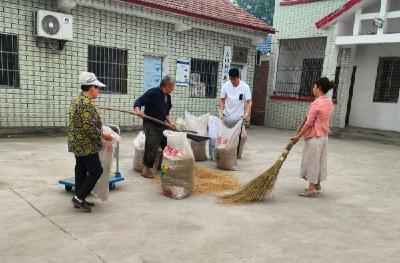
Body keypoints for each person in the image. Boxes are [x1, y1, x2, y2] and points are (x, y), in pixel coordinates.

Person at [68, 72, 112, 212]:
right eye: (97, 88)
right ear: (91, 87)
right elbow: (89, 128)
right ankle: (79, 198)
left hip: (77, 143)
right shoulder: (86, 105)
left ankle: (79, 198)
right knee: (96, 170)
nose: (98, 90)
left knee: (81, 169)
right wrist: (103, 135)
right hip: (86, 145)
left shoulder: (77, 100)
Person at [291, 77, 335, 197]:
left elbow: (308, 123)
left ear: (319, 88)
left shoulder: (316, 103)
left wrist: (298, 136)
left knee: (312, 162)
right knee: (320, 161)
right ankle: (317, 184)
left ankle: (311, 189)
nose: (313, 89)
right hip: (324, 137)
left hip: (315, 138)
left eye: (314, 87)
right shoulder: (329, 102)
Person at [134, 75, 176, 178]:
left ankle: (161, 167)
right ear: (167, 85)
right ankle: (145, 171)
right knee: (152, 146)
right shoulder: (153, 93)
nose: (173, 88)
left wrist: (171, 123)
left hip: (161, 124)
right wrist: (138, 111)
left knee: (167, 145)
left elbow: (166, 113)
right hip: (150, 124)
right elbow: (138, 102)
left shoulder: (168, 97)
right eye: (173, 86)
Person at [219, 68, 253, 155]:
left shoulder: (245, 87)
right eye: (231, 79)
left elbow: (249, 101)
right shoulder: (226, 85)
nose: (232, 81)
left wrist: (246, 113)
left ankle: (235, 155)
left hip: (239, 118)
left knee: (237, 137)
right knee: (225, 136)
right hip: (227, 116)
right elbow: (222, 99)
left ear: (238, 77)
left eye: (234, 79)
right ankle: (225, 153)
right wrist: (221, 111)